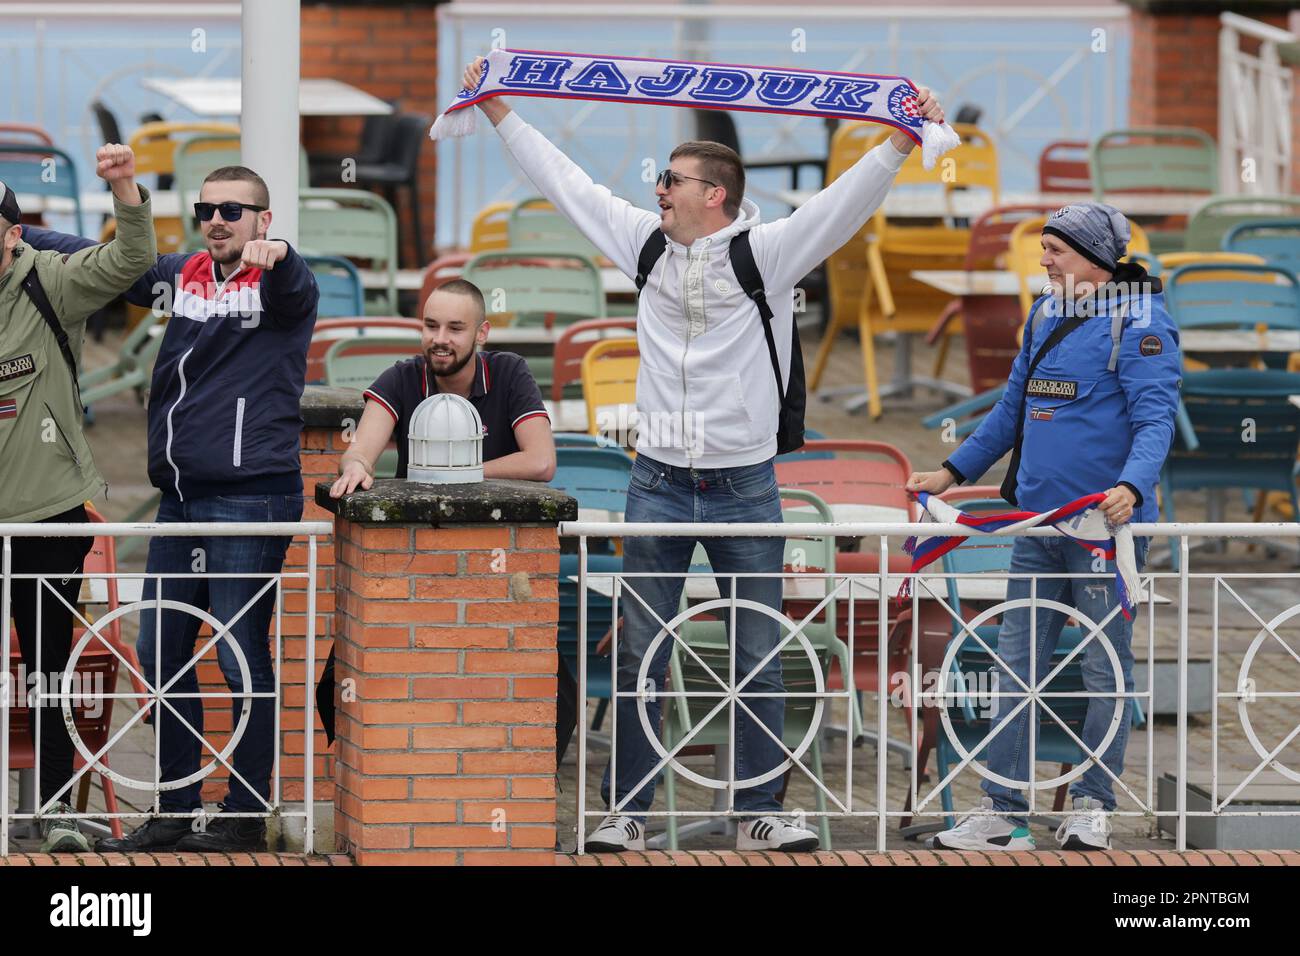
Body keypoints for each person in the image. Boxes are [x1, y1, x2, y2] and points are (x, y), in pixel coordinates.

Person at [460, 56, 946, 853]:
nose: (659, 187)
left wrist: (898, 138)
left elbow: (843, 204)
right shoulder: (644, 244)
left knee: (759, 646)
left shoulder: (770, 251)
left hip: (746, 485)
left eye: (674, 179)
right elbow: (567, 184)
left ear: (713, 194)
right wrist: (499, 108)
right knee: (644, 650)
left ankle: (760, 808)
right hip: (655, 481)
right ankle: (627, 813)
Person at [26, 164, 320, 852]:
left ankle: (246, 811)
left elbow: (291, 281)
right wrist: (18, 229)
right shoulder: (181, 275)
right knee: (159, 652)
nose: (218, 219)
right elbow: (91, 253)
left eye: (234, 210)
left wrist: (280, 258)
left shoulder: (281, 288)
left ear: (262, 220)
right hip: (181, 499)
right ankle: (177, 808)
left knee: (240, 654)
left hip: (253, 496)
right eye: (207, 208)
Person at [906, 203, 1181, 851]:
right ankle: (1003, 810)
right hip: (1037, 526)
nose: (1044, 258)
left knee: (1102, 671)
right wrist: (950, 471)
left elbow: (1155, 420)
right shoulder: (1045, 312)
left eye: (1055, 249)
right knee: (1017, 665)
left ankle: (1092, 804)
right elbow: (1011, 411)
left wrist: (1131, 487)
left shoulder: (1143, 323)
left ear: (1093, 258)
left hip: (1101, 533)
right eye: (1045, 247)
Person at [318, 278, 556, 744]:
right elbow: (359, 451)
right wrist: (356, 467)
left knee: (536, 690)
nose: (440, 339)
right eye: (430, 325)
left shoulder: (509, 372)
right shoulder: (403, 376)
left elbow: (542, 460)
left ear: (481, 333)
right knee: (344, 685)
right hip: (416, 563)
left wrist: (458, 473)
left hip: (499, 571)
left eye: (454, 328)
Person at [0, 147, 156, 852]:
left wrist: (124, 186)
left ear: (12, 234)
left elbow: (130, 262)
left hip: (46, 514)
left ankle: (58, 811)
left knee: (51, 670)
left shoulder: (50, 282)